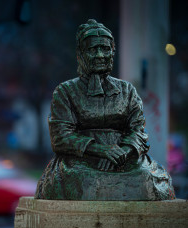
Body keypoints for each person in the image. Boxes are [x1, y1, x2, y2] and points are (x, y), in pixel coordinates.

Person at [35, 19, 175, 200]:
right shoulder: (66, 91)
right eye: (93, 50)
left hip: (125, 159)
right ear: (80, 54)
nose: (101, 55)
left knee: (147, 180)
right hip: (80, 160)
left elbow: (138, 129)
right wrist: (101, 150)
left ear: (113, 52)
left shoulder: (127, 90)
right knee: (84, 183)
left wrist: (122, 151)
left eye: (106, 49)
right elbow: (61, 137)